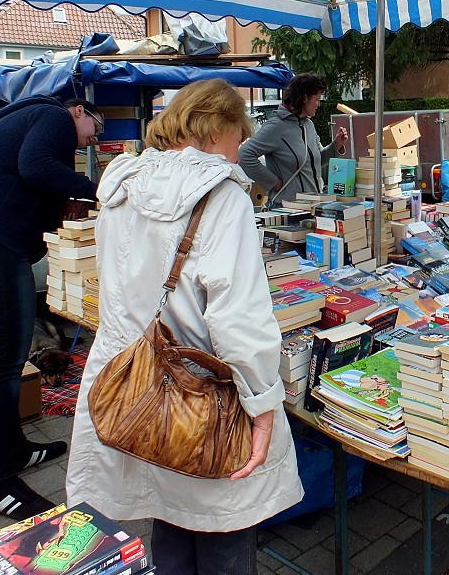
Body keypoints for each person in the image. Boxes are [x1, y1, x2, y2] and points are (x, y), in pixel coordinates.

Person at [66, 78, 303, 575]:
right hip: (201, 395)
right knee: (221, 526)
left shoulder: (121, 185)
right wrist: (262, 407)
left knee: (166, 513)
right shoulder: (222, 195)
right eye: (239, 139)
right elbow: (238, 318)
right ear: (217, 127)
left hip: (131, 387)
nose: (239, 154)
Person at [0, 96, 101, 519]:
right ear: (78, 110)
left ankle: (15, 450)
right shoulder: (53, 116)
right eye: (95, 128)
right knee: (2, 362)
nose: (93, 139)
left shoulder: (30, 121)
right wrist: (98, 189)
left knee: (4, 358)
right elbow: (37, 169)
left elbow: (32, 175)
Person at [238, 73, 349, 207]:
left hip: (311, 206)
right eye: (317, 99)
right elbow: (244, 154)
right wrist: (273, 182)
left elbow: (317, 161)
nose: (318, 104)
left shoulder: (308, 125)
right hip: (286, 208)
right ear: (305, 98)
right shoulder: (276, 127)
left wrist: (336, 145)